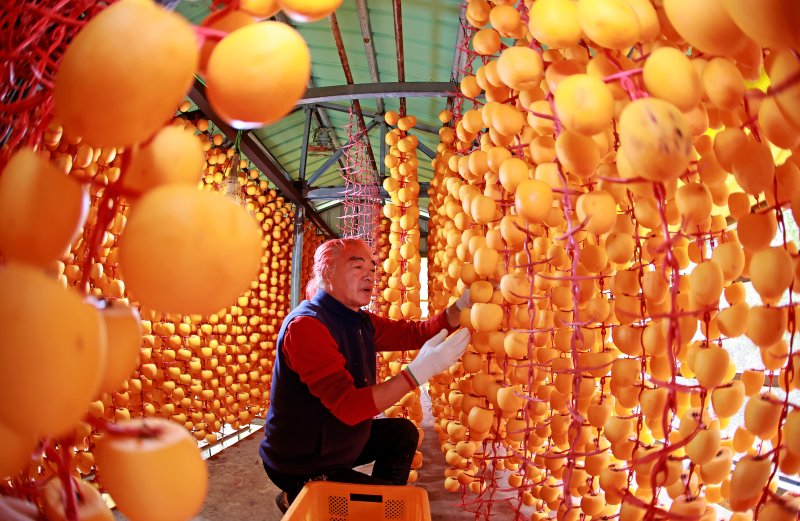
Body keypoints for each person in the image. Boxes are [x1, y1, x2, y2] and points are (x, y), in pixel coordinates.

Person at [259, 238, 471, 513]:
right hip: (303, 458)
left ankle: (363, 500)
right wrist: (418, 372)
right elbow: (350, 407)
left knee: (402, 434)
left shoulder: (358, 320)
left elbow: (415, 333)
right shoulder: (307, 327)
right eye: (357, 266)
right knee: (384, 506)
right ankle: (302, 487)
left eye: (372, 269)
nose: (369, 275)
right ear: (327, 273)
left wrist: (461, 307)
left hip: (336, 441)